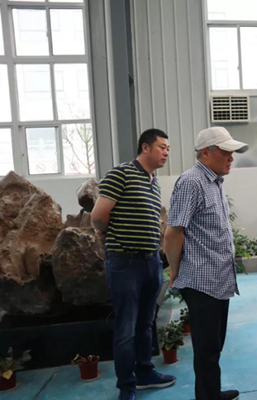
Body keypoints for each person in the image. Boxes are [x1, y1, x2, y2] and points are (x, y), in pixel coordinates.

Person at [163, 126, 248, 400]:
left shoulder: (215, 181)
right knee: (207, 350)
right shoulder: (191, 182)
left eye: (232, 152)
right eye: (226, 152)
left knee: (214, 345)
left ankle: (212, 392)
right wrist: (175, 271)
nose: (231, 158)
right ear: (206, 152)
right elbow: (173, 233)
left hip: (218, 279)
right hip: (201, 282)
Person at [91, 129, 175, 400]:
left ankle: (145, 373)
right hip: (125, 262)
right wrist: (112, 235)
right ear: (145, 147)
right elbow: (98, 216)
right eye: (162, 147)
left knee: (145, 324)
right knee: (126, 328)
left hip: (151, 261)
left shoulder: (153, 181)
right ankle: (127, 386)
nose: (166, 152)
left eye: (168, 148)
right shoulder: (121, 174)